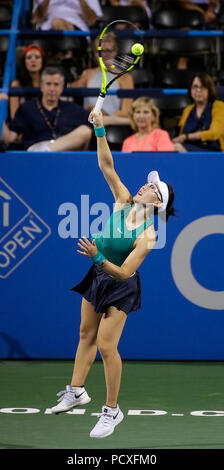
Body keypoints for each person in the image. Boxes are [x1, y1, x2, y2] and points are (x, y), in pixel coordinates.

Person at [49, 109, 175, 439]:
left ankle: (112, 410)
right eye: (147, 183)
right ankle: (76, 391)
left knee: (106, 345)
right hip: (98, 272)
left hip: (121, 285)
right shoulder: (122, 200)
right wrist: (101, 128)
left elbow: (124, 272)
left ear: (156, 202)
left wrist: (97, 255)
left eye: (151, 187)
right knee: (85, 334)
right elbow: (107, 165)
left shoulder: (148, 235)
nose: (144, 185)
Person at [0, 67, 92, 151]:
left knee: (85, 130)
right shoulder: (27, 108)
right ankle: (45, 151)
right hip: (35, 155)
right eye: (48, 84)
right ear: (41, 86)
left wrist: (103, 116)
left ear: (61, 88)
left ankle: (47, 149)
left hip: (63, 153)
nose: (52, 89)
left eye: (56, 84)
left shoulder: (72, 108)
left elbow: (95, 120)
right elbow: (9, 138)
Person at [71, 32, 134, 124]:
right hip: (88, 119)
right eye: (100, 51)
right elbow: (69, 91)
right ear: (95, 53)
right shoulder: (87, 74)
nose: (104, 54)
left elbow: (127, 112)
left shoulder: (125, 77)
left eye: (108, 50)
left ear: (115, 52)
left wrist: (103, 113)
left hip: (110, 120)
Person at [172, 72, 224, 152]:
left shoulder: (219, 106)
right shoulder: (188, 110)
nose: (198, 90)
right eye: (195, 87)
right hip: (188, 147)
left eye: (202, 87)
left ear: (209, 90)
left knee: (177, 148)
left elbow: (214, 133)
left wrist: (187, 136)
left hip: (213, 151)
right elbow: (180, 133)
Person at [10, 44, 46, 119]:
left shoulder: (48, 82)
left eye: (37, 57)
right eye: (29, 58)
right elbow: (14, 116)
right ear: (24, 62)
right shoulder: (16, 84)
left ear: (42, 61)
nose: (33, 60)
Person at [32, 0, 103, 31]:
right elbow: (37, 19)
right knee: (56, 22)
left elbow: (92, 21)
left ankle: (66, 53)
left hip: (77, 31)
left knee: (57, 22)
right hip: (48, 31)